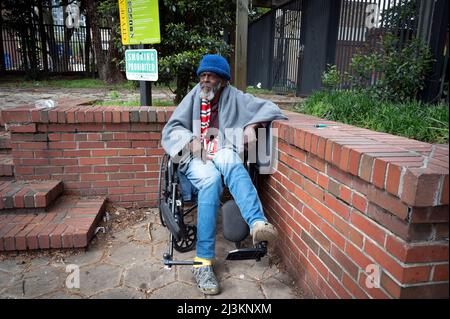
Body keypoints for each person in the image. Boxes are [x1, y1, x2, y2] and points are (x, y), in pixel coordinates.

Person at [161, 54, 288, 295]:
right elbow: (172, 128)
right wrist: (190, 140)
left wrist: (253, 126)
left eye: (210, 75)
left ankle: (257, 223)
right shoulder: (193, 97)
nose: (205, 80)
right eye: (202, 76)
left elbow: (270, 108)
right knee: (210, 180)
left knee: (229, 157)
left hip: (222, 150)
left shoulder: (235, 97)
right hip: (196, 158)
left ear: (223, 80)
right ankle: (203, 263)